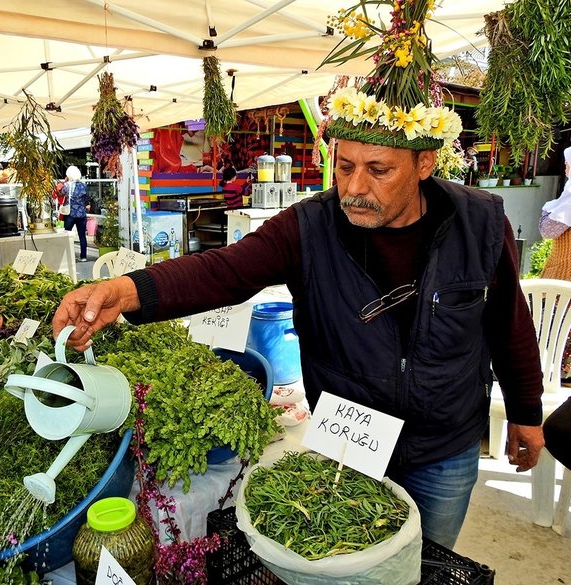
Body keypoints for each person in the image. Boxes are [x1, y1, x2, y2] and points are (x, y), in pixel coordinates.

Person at [51, 3, 545, 551]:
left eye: (379, 170)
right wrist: (126, 290)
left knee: (428, 560)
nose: (355, 186)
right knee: (349, 556)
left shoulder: (479, 222)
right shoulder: (310, 227)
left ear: (424, 165)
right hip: (349, 442)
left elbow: (509, 324)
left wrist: (526, 413)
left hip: (443, 445)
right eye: (345, 165)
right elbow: (225, 271)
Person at [538, 143, 571, 385]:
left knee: (549, 321)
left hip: (564, 272)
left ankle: (548, 370)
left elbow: (547, 230)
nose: (565, 167)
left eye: (568, 162)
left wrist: (545, 213)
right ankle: (566, 371)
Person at [62, 165, 90, 262]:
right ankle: (83, 256)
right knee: (82, 235)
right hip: (81, 214)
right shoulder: (83, 186)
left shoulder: (67, 186)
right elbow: (86, 199)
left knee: (66, 235)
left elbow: (61, 194)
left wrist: (65, 182)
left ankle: (66, 255)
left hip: (70, 213)